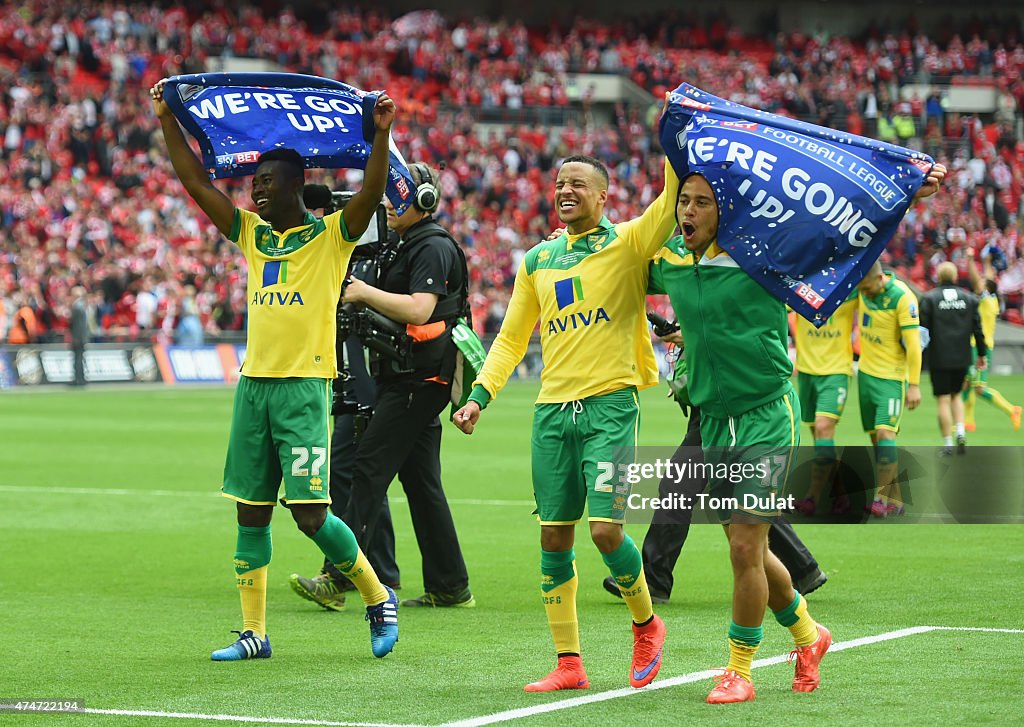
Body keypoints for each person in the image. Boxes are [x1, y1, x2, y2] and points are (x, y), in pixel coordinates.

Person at [150, 78, 400, 661]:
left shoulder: (333, 237)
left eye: (267, 182)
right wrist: (168, 118)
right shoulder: (252, 235)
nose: (256, 191)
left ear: (295, 186)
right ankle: (255, 633)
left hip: (305, 389)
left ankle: (375, 595)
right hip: (254, 387)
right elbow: (193, 181)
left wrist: (381, 134)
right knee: (250, 510)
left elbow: (371, 188)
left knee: (312, 516)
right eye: (254, 183)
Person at [454, 153, 680, 692]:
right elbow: (511, 338)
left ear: (604, 197)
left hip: (610, 406)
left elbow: (670, 204)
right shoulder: (537, 259)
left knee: (605, 531)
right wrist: (479, 396)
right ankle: (569, 663)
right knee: (554, 537)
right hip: (552, 412)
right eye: (559, 183)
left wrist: (675, 139)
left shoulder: (629, 243)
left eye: (578, 184)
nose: (565, 191)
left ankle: (647, 625)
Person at [648, 172, 830, 704]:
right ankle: (808, 635)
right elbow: (621, 263)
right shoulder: (675, 263)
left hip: (766, 417)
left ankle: (739, 669)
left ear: (726, 213)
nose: (689, 211)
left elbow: (841, 237)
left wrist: (905, 193)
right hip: (712, 421)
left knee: (747, 546)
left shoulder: (763, 261)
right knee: (744, 545)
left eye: (703, 203)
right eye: (684, 201)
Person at [600, 328, 827, 604]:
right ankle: (803, 569)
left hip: (732, 412)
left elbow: (741, 342)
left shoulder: (728, 303)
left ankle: (654, 578)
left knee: (683, 489)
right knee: (730, 494)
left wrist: (694, 337)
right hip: (710, 412)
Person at [340, 161, 475, 609]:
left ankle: (341, 572)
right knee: (421, 485)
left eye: (394, 195)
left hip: (419, 377)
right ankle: (450, 585)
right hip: (409, 374)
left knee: (368, 468)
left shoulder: (432, 246)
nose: (385, 203)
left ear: (424, 200)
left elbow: (419, 309)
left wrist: (362, 292)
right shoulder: (403, 244)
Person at [290, 189, 401, 612]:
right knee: (368, 478)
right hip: (353, 381)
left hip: (371, 382)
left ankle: (340, 577)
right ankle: (383, 572)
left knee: (354, 477)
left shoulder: (385, 260)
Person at [856, 259, 924, 517]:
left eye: (866, 288)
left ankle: (881, 498)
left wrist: (914, 384)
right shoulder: (861, 287)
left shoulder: (903, 298)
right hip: (865, 375)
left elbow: (914, 345)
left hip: (891, 379)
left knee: (886, 435)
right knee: (877, 441)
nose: (863, 293)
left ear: (879, 278)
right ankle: (896, 499)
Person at [792, 291, 858, 515]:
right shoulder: (800, 294)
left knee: (823, 428)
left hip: (836, 372)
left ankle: (812, 497)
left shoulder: (847, 294)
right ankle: (840, 493)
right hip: (807, 373)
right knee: (821, 439)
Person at [919, 261, 987, 456]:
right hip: (962, 356)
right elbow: (978, 329)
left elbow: (921, 331)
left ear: (938, 277)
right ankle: (961, 431)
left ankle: (948, 443)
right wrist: (981, 354)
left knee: (943, 399)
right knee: (957, 395)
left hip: (939, 357)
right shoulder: (970, 299)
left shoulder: (929, 298)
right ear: (956, 276)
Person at [963, 259, 1022, 432]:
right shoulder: (993, 299)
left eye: (982, 283)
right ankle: (968, 422)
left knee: (979, 388)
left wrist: (971, 259)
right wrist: (987, 260)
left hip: (980, 348)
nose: (978, 283)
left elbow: (978, 282)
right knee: (967, 383)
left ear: (987, 289)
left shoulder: (987, 300)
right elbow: (987, 280)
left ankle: (1012, 410)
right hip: (975, 345)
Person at [69, 286, 89, 386]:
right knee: (80, 358)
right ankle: (80, 378)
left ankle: (78, 379)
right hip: (82, 337)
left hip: (78, 337)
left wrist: (76, 338)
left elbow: (77, 325)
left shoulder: (77, 306)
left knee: (77, 359)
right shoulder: (82, 305)